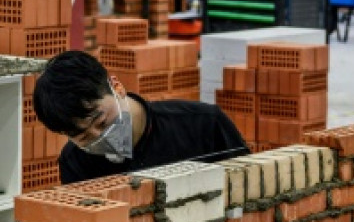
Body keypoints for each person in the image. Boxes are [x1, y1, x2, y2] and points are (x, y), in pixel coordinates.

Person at [33, 50, 248, 183]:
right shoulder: (75, 162)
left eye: (101, 122)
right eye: (84, 137)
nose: (100, 136)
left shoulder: (203, 125)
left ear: (116, 87)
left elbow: (251, 191)